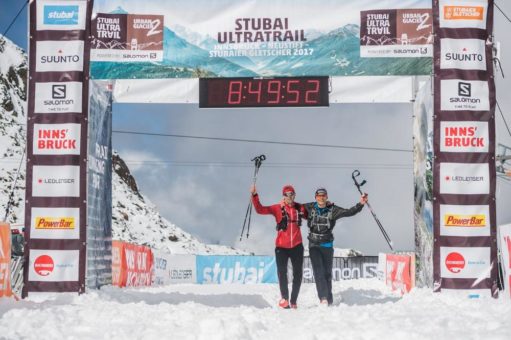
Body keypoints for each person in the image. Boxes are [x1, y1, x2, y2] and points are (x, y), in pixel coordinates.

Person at [303, 187, 368, 306]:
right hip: (313, 245)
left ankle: (329, 298)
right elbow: (295, 207)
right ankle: (323, 298)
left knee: (327, 273)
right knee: (318, 272)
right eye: (319, 196)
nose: (321, 198)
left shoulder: (333, 210)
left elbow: (349, 212)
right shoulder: (309, 207)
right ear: (315, 197)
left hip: (327, 246)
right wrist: (284, 203)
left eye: (323, 196)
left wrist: (361, 203)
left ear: (326, 197)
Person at [250, 184, 307, 309]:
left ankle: (293, 301)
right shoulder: (277, 208)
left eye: (292, 194)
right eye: (287, 194)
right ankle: (285, 299)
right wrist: (254, 195)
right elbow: (260, 209)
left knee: (298, 274)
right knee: (282, 273)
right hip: (281, 247)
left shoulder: (300, 208)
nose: (289, 197)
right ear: (283, 196)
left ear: (295, 195)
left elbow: (312, 215)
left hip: (297, 246)